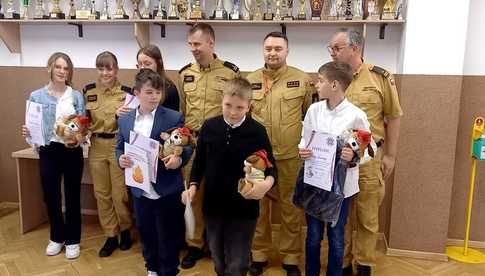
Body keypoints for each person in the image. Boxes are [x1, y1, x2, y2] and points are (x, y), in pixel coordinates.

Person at [181, 77, 276, 276]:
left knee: (238, 263)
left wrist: (266, 185)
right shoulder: (209, 126)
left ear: (249, 106)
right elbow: (200, 162)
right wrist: (193, 186)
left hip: (243, 209)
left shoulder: (257, 131)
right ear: (221, 101)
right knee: (218, 259)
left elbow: (271, 167)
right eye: (228, 106)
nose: (232, 112)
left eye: (239, 108)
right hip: (213, 207)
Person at [327, 28, 403, 276]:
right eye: (331, 48)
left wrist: (390, 155)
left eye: (337, 48)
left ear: (355, 48)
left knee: (367, 216)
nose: (332, 52)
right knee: (340, 214)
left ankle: (365, 265)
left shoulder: (379, 77)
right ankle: (343, 262)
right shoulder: (330, 77)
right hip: (337, 159)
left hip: (369, 158)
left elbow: (393, 116)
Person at [246, 31, 315, 276]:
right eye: (268, 48)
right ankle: (259, 255)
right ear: (262, 50)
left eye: (278, 48)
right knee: (257, 205)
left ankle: (290, 258)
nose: (272, 53)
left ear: (287, 51)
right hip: (256, 159)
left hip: (289, 157)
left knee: (291, 208)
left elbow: (309, 117)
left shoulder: (302, 80)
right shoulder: (250, 80)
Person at [298, 61, 373, 276]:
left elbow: (370, 149)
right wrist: (302, 150)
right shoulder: (314, 110)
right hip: (315, 183)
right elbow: (305, 140)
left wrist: (354, 155)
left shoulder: (355, 115)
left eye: (320, 81)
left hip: (341, 188)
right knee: (312, 236)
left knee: (336, 236)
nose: (316, 85)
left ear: (334, 85)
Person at [115, 69, 192, 276]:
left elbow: (186, 146)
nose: (154, 97)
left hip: (166, 188)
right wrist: (120, 159)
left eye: (158, 92)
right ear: (137, 92)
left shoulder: (173, 117)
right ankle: (151, 267)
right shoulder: (125, 120)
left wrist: (178, 159)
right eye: (149, 92)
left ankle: (169, 270)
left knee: (168, 234)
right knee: (146, 231)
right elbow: (119, 147)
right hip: (140, 188)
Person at [178, 22, 240, 269]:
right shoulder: (185, 74)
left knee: (220, 198)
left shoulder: (230, 73)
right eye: (190, 44)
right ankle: (193, 245)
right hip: (192, 143)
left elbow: (237, 111)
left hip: (219, 145)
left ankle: (218, 245)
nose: (193, 49)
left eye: (197, 44)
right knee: (192, 197)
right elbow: (183, 110)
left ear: (211, 43)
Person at [21, 52, 85, 259]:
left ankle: (73, 239)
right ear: (49, 68)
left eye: (66, 68)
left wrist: (79, 138)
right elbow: (32, 129)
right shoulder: (36, 96)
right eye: (58, 67)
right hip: (49, 151)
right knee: (51, 196)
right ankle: (57, 237)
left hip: (72, 151)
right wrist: (28, 134)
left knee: (73, 195)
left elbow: (83, 128)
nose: (62, 71)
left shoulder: (76, 96)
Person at [83, 51, 133, 257]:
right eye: (101, 68)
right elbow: (84, 121)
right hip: (96, 146)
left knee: (119, 194)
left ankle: (126, 229)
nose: (105, 72)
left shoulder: (127, 93)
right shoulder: (88, 92)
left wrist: (120, 117)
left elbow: (134, 124)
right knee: (101, 194)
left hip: (117, 145)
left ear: (116, 69)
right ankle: (111, 235)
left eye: (109, 68)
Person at [135, 44, 180, 111]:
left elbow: (173, 118)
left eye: (147, 64)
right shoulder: (137, 86)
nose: (142, 68)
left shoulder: (169, 89)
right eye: (139, 64)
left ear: (158, 64)